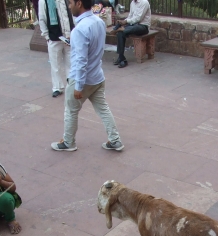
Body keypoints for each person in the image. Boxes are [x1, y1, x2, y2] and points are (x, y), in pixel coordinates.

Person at [52, 0, 124, 152]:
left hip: (83, 79)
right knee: (103, 109)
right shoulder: (98, 22)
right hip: (97, 76)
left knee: (71, 110)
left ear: (79, 3)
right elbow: (93, 49)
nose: (69, 6)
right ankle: (115, 140)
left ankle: (68, 142)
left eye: (71, 2)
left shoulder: (79, 29)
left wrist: (78, 86)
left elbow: (81, 61)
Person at [39, 0, 75, 98]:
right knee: (55, 65)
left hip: (69, 37)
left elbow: (71, 15)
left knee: (71, 63)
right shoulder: (44, 1)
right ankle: (57, 87)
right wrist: (46, 36)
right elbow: (42, 19)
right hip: (54, 37)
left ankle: (72, 85)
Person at [112, 0, 151, 68]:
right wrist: (124, 21)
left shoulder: (144, 2)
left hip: (143, 26)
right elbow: (130, 16)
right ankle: (121, 57)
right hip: (133, 25)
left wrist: (126, 21)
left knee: (125, 30)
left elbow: (139, 18)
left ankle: (124, 29)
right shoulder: (132, 3)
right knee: (120, 33)